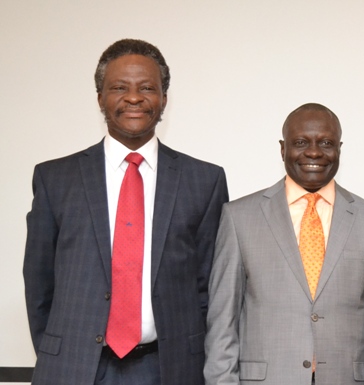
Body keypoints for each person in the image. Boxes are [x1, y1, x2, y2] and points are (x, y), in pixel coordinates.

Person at [23, 39, 229, 385]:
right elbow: (39, 281)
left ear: (164, 98)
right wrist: (57, 352)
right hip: (74, 368)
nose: (134, 97)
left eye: (147, 88)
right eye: (119, 87)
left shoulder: (204, 180)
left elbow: (210, 286)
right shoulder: (55, 178)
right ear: (100, 98)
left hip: (169, 368)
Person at [204, 103, 364, 385]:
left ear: (340, 148)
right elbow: (222, 322)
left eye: (326, 143)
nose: (314, 152)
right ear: (282, 148)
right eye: (300, 142)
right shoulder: (238, 217)